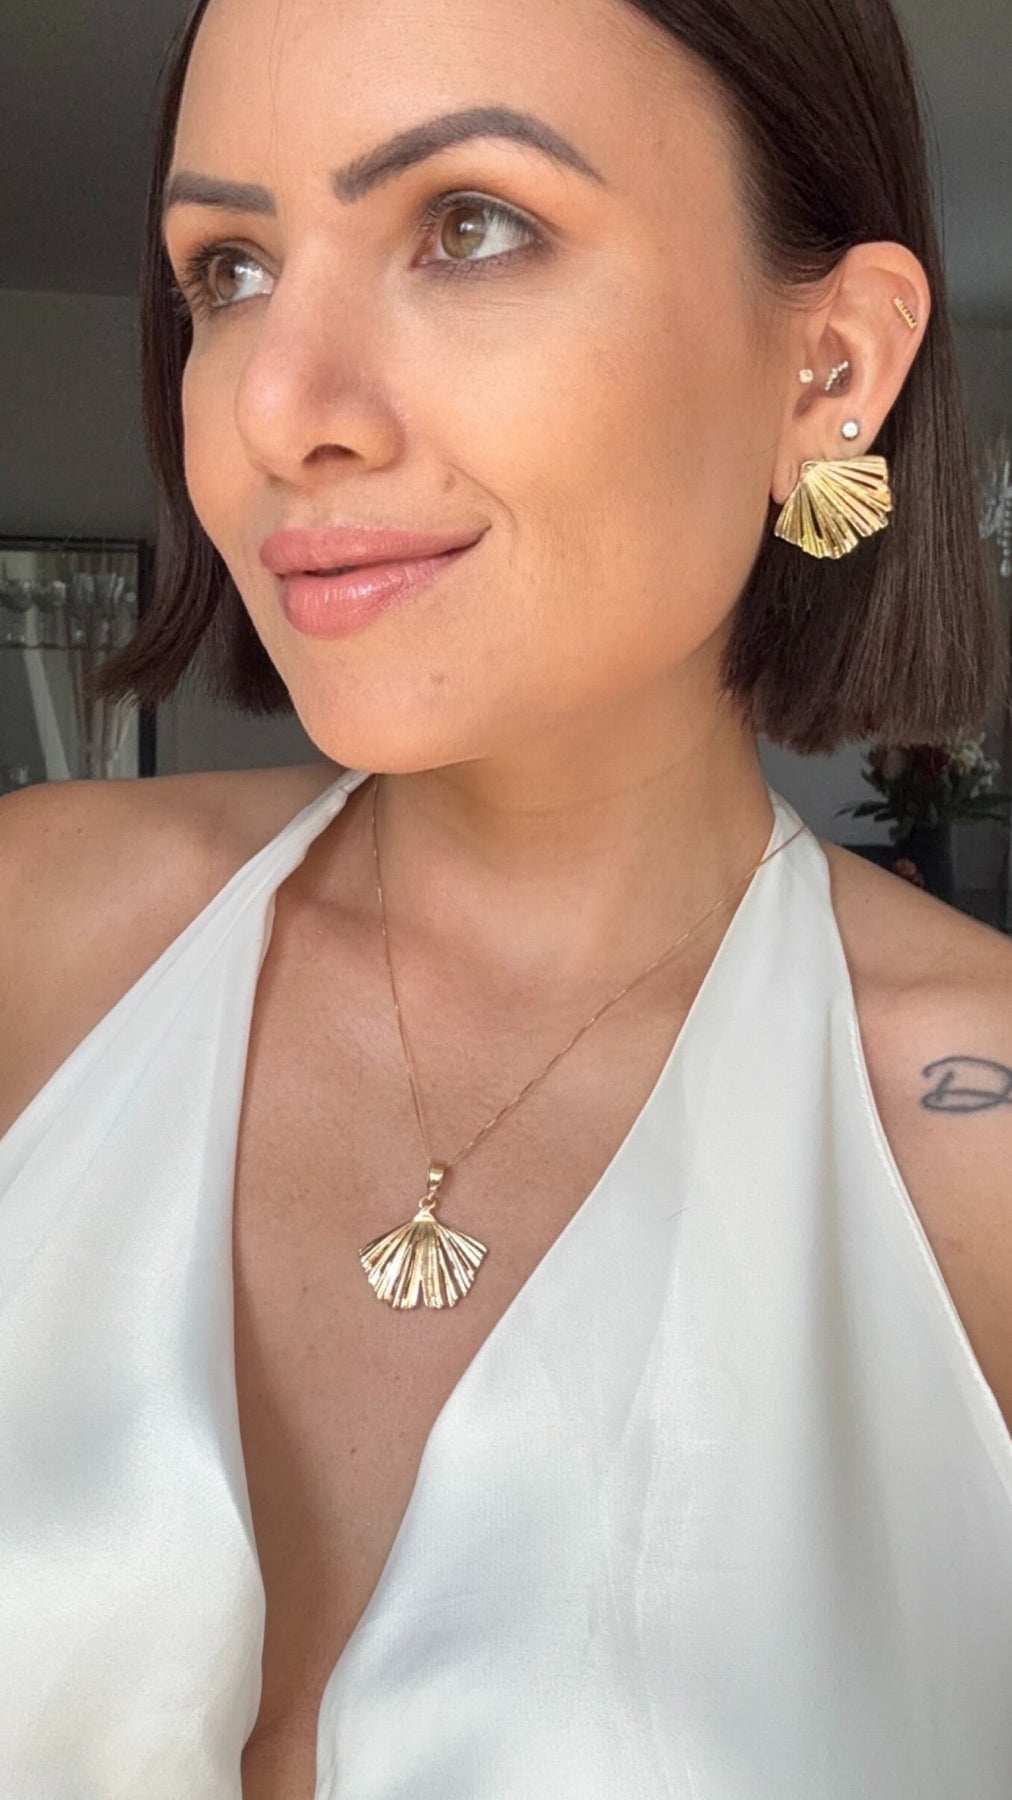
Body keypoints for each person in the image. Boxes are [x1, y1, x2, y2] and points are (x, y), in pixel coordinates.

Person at [1, 0, 1010, 1793]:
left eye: (469, 225)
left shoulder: (977, 1151)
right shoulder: (39, 933)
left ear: (828, 367)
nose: (280, 407)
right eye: (228, 269)